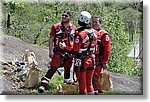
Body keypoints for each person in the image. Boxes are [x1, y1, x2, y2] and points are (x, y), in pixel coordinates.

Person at [38, 11, 77, 93]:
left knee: (67, 68)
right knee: (53, 67)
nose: (63, 17)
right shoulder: (56, 27)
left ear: (70, 18)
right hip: (58, 51)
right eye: (63, 15)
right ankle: (43, 84)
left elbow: (75, 41)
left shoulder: (74, 28)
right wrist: (50, 51)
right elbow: (51, 38)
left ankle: (66, 85)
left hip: (69, 52)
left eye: (66, 16)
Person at [73, 11, 98, 95]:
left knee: (82, 84)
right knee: (89, 83)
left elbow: (75, 49)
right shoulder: (95, 32)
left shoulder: (80, 34)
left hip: (81, 60)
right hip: (92, 58)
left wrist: (64, 47)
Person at [92, 16, 111, 94]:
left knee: (97, 78)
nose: (94, 24)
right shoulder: (91, 32)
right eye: (93, 22)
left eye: (96, 22)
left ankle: (99, 93)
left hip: (99, 60)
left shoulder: (104, 35)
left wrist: (105, 61)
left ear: (100, 23)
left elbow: (107, 50)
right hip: (90, 59)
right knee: (90, 78)